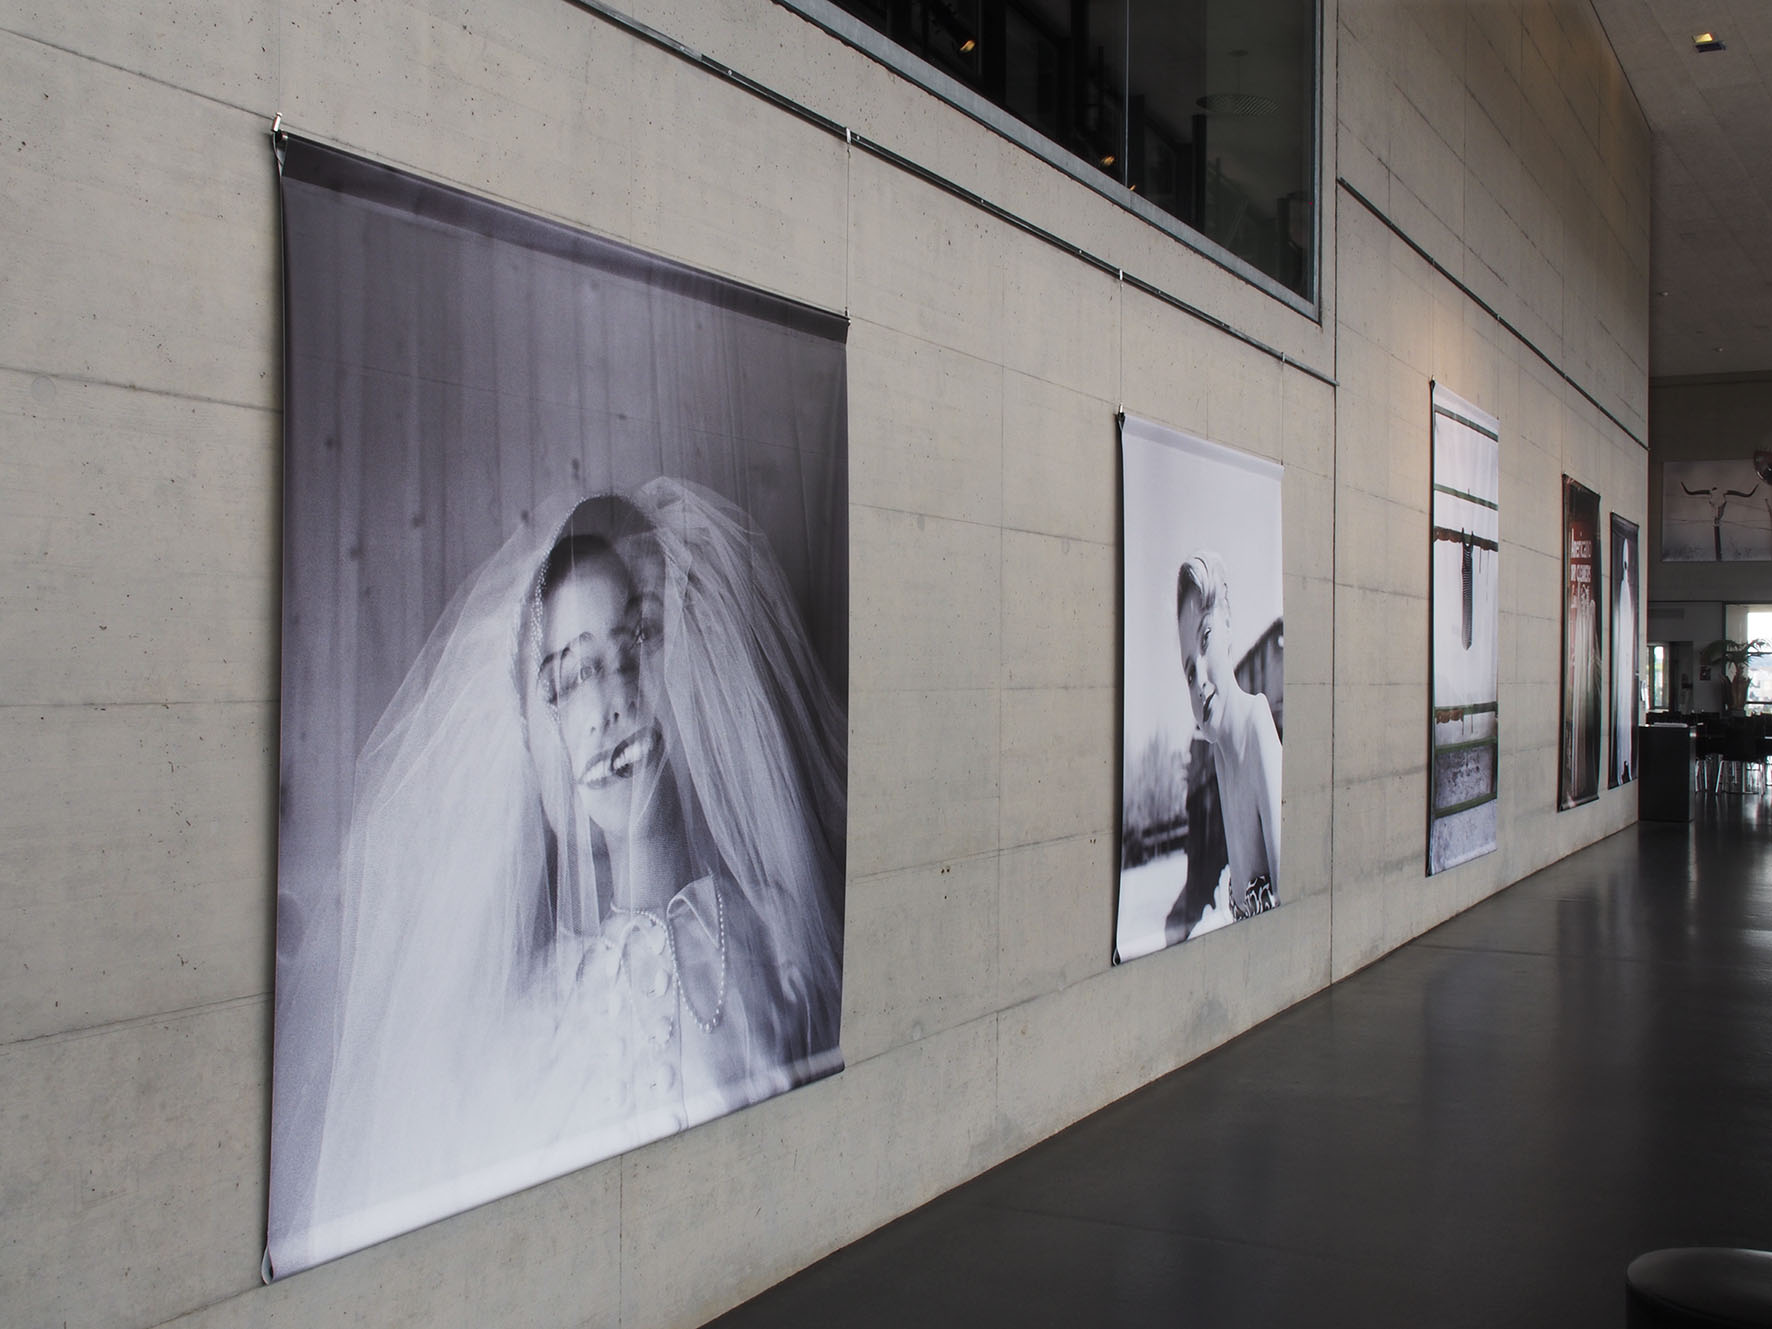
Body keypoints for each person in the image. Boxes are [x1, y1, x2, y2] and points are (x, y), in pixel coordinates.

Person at [278, 477, 844, 1273]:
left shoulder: (783, 939)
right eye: (570, 678)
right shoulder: (518, 1033)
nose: (612, 700)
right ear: (535, 734)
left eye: (637, 641)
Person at [1174, 552, 1281, 922]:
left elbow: (1287, 902)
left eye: (1206, 638)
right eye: (1189, 673)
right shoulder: (1221, 755)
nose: (1200, 682)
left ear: (1229, 625)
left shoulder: (1257, 723)